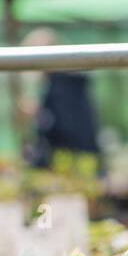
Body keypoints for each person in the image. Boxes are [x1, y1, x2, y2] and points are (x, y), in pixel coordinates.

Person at [18, 27, 102, 170]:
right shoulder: (64, 84)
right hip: (76, 162)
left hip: (70, 164)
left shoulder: (62, 87)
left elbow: (65, 128)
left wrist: (39, 113)